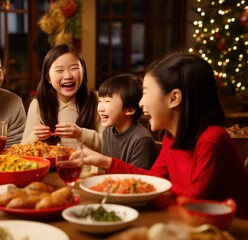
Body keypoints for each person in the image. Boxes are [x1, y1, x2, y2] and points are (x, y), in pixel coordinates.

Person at [70, 52, 248, 219]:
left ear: (173, 98)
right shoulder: (171, 138)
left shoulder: (212, 139)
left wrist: (161, 187)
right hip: (189, 222)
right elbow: (152, 180)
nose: (140, 102)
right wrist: (104, 161)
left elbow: (195, 199)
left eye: (146, 92)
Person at [21, 44, 103, 151]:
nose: (68, 76)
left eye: (74, 68)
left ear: (83, 72)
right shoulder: (38, 104)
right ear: (48, 78)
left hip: (89, 167)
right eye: (59, 70)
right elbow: (21, 149)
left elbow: (111, 145)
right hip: (53, 167)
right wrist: (35, 136)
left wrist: (81, 134)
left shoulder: (98, 100)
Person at [98, 73, 156, 169]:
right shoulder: (107, 133)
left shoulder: (142, 140)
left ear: (129, 109)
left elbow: (136, 180)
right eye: (100, 101)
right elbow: (103, 170)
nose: (100, 108)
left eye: (107, 101)